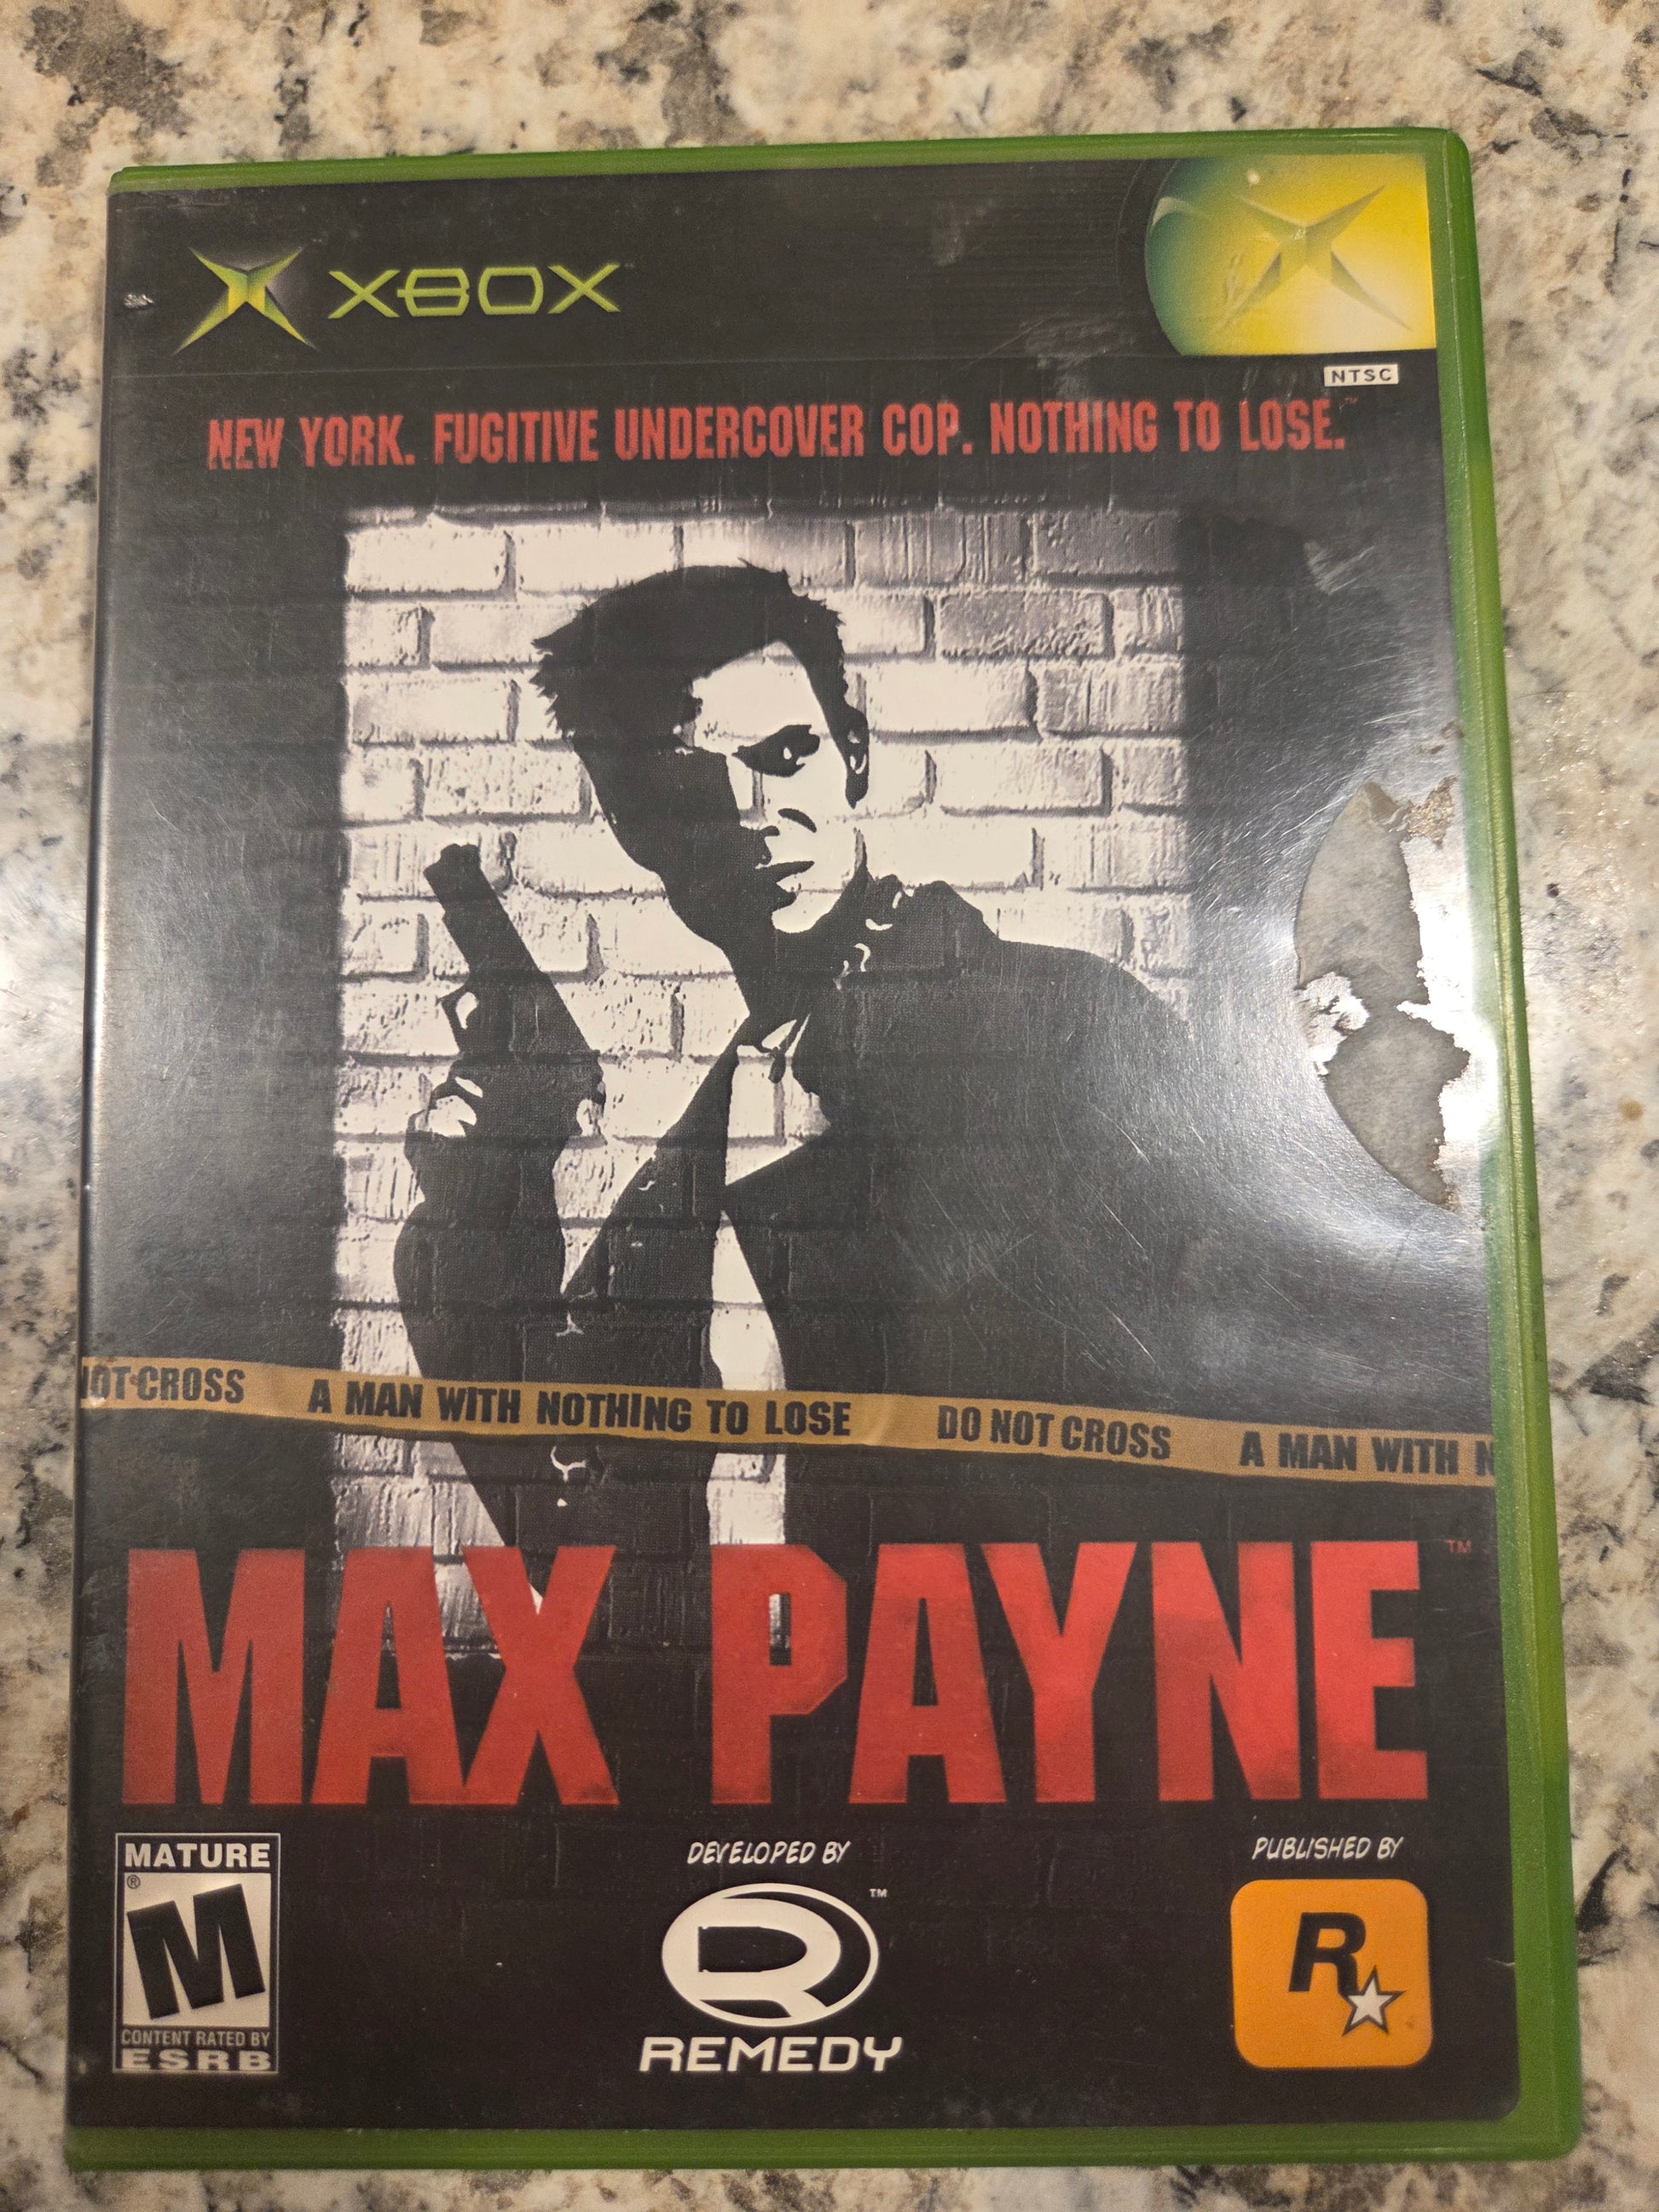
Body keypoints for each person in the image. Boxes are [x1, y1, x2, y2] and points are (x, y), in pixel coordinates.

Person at [395, 563, 1196, 1552]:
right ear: (632, 828)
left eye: (785, 754)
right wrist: (480, 1218)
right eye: (688, 786)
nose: (749, 815)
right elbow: (582, 1545)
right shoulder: (699, 1161)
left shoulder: (1071, 1030)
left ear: (851, 754)